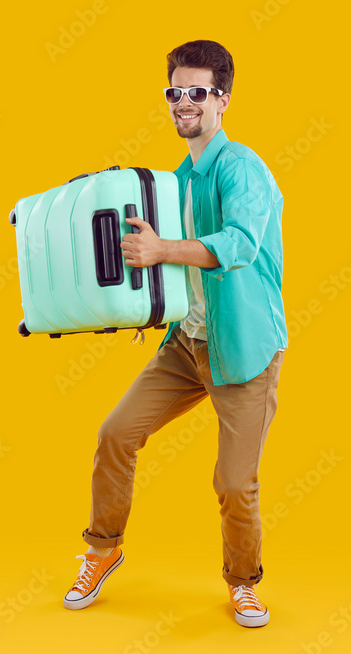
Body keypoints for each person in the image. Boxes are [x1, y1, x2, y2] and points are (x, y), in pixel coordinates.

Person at [62, 39, 287, 629]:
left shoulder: (244, 169)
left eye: (197, 92)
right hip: (186, 345)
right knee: (115, 435)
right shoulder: (177, 178)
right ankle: (102, 550)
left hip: (244, 350)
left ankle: (243, 583)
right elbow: (175, 267)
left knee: (235, 484)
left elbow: (239, 245)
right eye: (174, 91)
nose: (183, 102)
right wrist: (148, 304)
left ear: (223, 100)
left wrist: (161, 246)